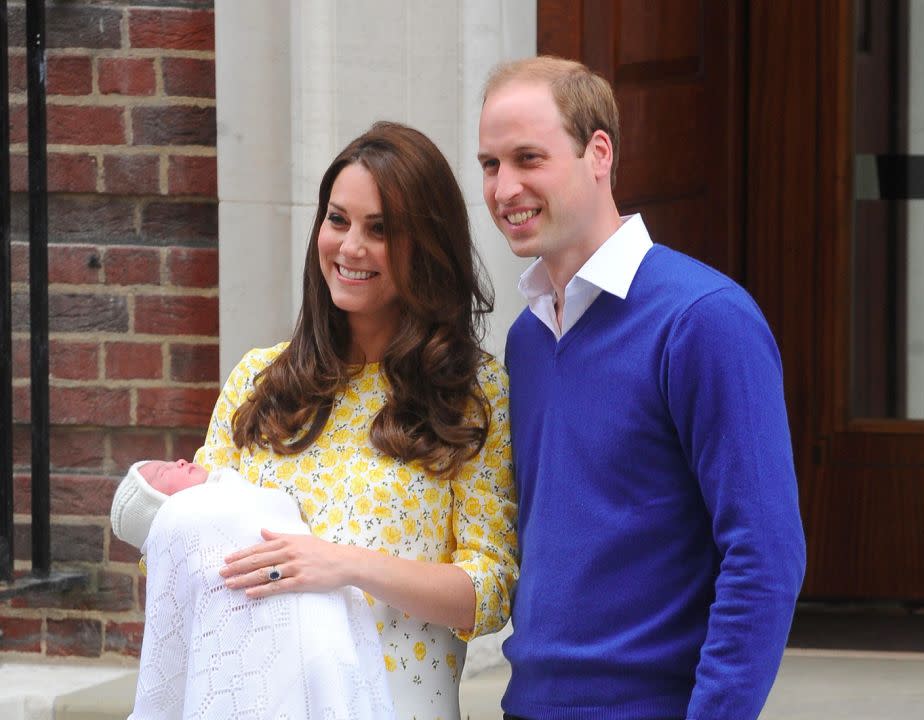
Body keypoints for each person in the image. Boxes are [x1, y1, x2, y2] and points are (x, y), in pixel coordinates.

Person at [476, 56, 806, 720]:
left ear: (599, 153)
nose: (504, 187)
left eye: (529, 158)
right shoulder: (529, 340)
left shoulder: (704, 319)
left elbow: (765, 556)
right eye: (490, 164)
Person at [194, 121, 517, 720]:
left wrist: (342, 564)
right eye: (338, 220)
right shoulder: (258, 381)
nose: (349, 247)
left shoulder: (472, 395)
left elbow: (491, 593)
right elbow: (190, 546)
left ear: (429, 246)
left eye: (381, 230)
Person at [111, 458, 395, 720]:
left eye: (171, 461)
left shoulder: (239, 491)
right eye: (163, 472)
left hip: (325, 626)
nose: (180, 461)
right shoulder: (179, 521)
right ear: (158, 512)